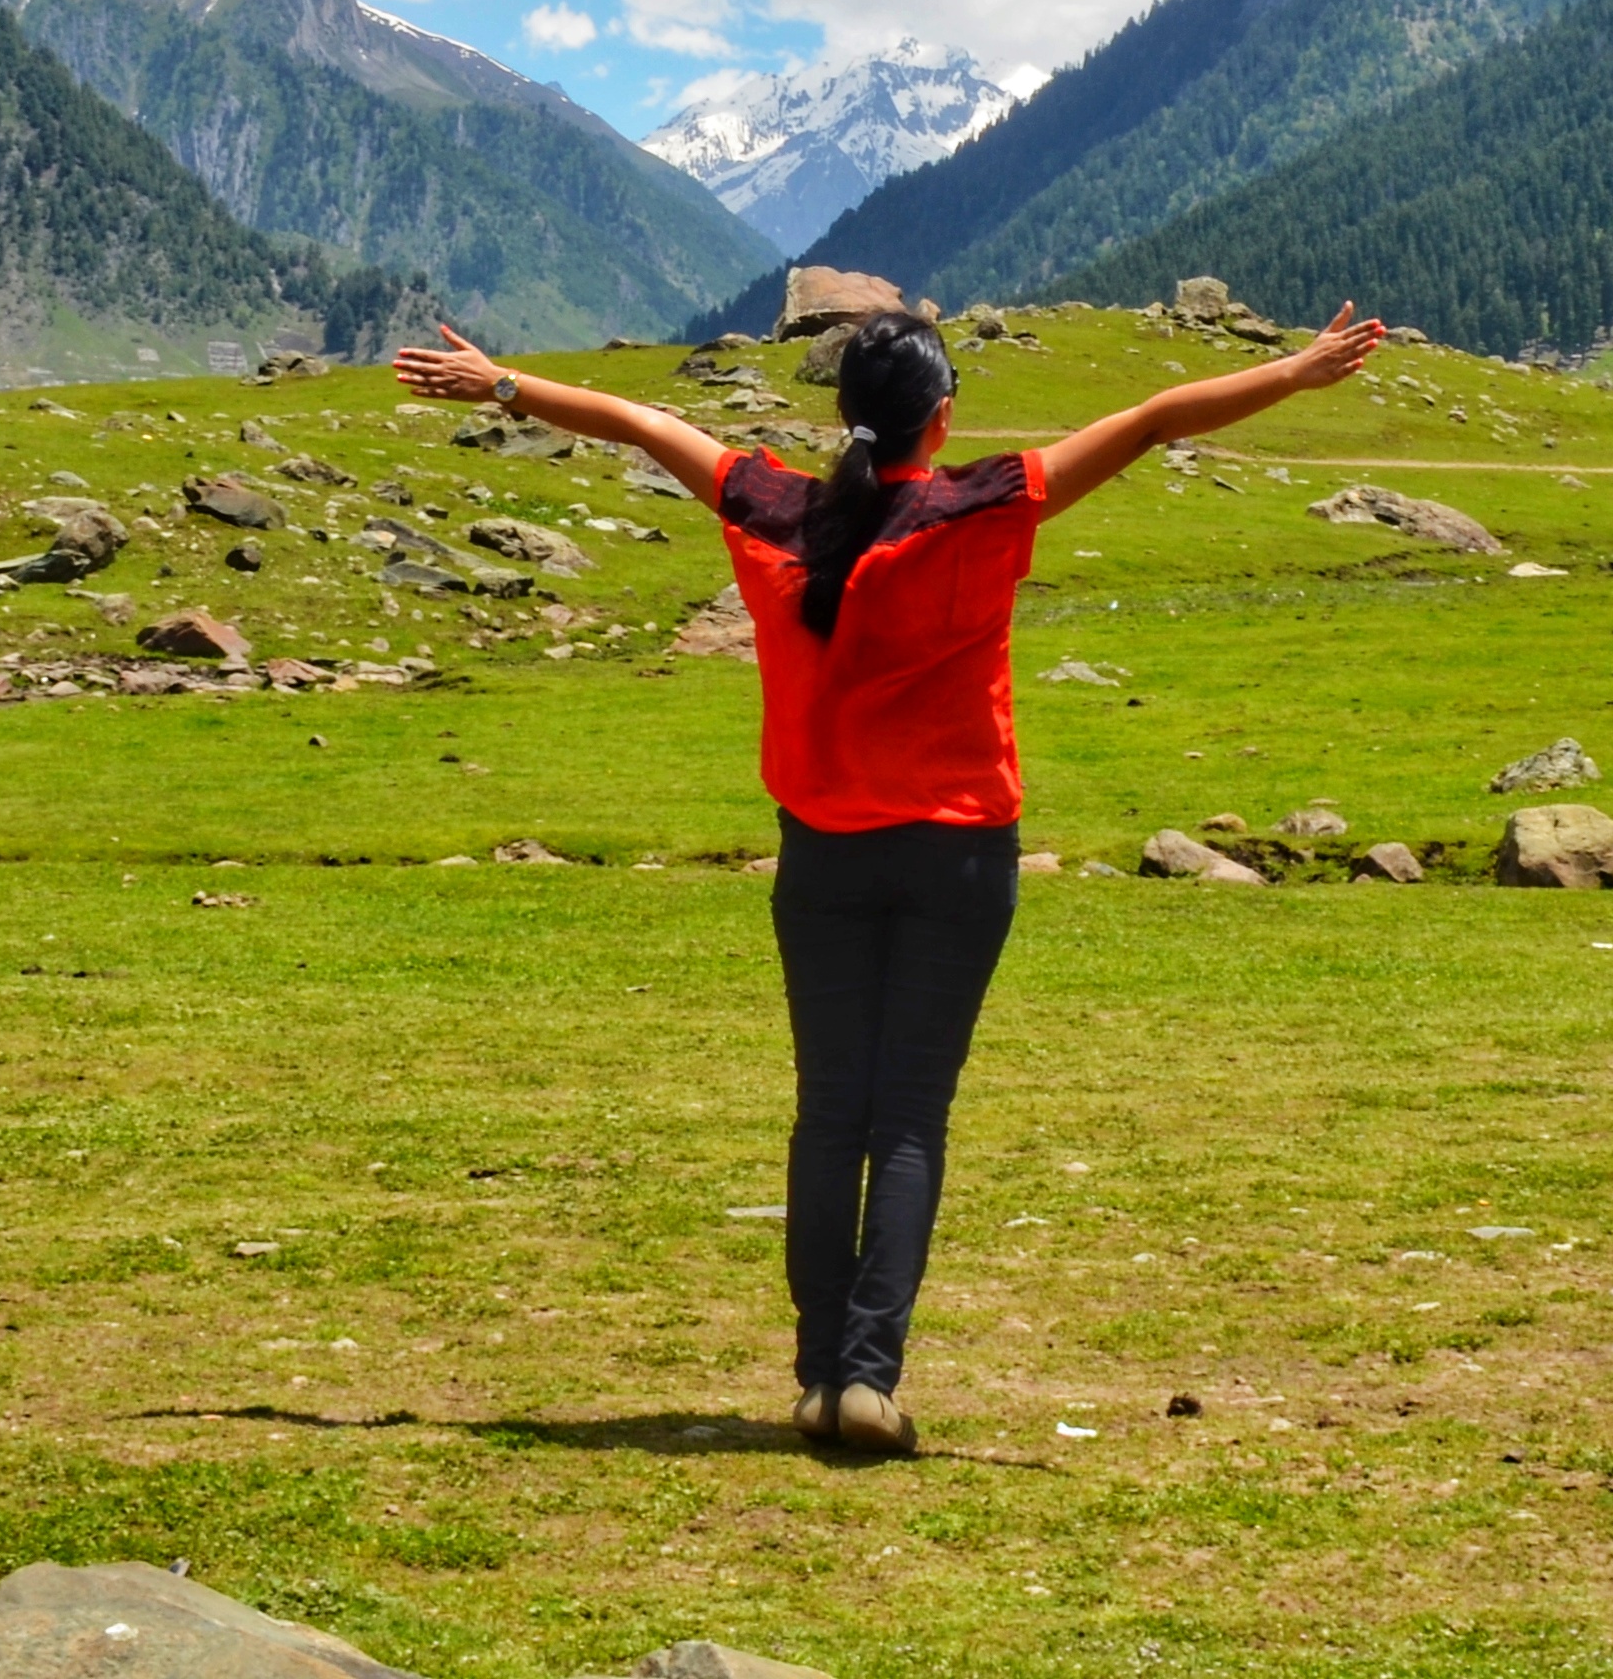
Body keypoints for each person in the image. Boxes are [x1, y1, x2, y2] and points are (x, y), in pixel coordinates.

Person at [392, 293, 1386, 1458]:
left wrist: (502, 385)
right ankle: (868, 1380)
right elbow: (1158, 416)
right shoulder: (981, 504)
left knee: (829, 1112)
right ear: (942, 415)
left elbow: (639, 421)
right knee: (907, 1118)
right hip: (957, 856)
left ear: (843, 413)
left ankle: (819, 1379)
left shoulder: (770, 510)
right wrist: (1299, 370)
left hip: (821, 856)